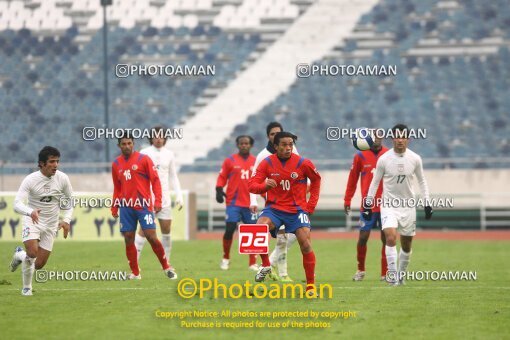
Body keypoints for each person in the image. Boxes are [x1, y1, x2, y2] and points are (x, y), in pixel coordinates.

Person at [249, 132, 321, 296]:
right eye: (284, 145)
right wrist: (264, 186)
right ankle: (266, 265)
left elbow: (316, 180)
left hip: (297, 210)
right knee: (258, 228)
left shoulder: (303, 163)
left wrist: (311, 205)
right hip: (274, 208)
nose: (288, 148)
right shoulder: (267, 163)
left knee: (306, 243)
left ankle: (310, 286)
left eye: (291, 144)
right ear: (276, 147)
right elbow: (252, 185)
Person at [365, 124, 433, 285]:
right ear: (393, 138)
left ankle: (401, 275)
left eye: (403, 137)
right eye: (397, 137)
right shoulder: (384, 159)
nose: (400, 140)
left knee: (407, 244)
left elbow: (422, 181)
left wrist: (427, 203)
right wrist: (368, 204)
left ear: (408, 139)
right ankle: (393, 275)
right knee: (390, 237)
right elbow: (375, 183)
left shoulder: (415, 159)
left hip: (408, 206)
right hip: (388, 204)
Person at [111, 131, 176, 280]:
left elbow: (155, 181)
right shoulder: (116, 164)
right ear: (119, 146)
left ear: (133, 144)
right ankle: (135, 272)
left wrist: (158, 201)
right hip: (126, 207)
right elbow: (117, 187)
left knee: (151, 236)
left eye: (129, 143)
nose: (127, 146)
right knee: (128, 237)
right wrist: (114, 206)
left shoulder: (143, 159)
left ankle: (166, 267)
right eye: (123, 144)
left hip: (143, 205)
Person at [10, 146, 73, 296]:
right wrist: (30, 211)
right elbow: (16, 203)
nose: (56, 165)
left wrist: (66, 220)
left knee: (38, 264)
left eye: (57, 161)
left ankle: (19, 255)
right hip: (32, 220)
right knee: (32, 253)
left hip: (51, 225)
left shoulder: (62, 178)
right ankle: (27, 288)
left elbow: (70, 200)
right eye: (52, 161)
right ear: (42, 164)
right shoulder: (30, 180)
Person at [249, 122, 298, 282]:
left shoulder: (292, 150)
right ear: (269, 137)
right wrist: (253, 200)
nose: (275, 135)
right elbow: (254, 179)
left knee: (288, 237)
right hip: (274, 203)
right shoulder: (262, 156)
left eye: (279, 132)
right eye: (272, 134)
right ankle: (274, 268)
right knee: (275, 235)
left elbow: (299, 170)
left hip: (291, 202)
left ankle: (274, 267)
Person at [135, 126, 183, 264]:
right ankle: (134, 265)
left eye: (161, 136)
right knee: (143, 231)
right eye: (156, 136)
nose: (158, 139)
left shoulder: (169, 154)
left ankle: (166, 264)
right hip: (147, 199)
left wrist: (179, 195)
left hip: (165, 200)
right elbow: (137, 176)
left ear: (165, 138)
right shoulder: (144, 153)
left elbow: (173, 176)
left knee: (166, 231)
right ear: (151, 138)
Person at [344, 134, 389, 281]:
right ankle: (360, 270)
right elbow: (353, 178)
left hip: (386, 204)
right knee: (363, 237)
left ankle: (385, 273)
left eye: (379, 136)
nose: (376, 139)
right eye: (373, 137)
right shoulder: (360, 156)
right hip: (367, 205)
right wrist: (347, 199)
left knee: (386, 238)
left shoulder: (389, 154)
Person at [216, 135, 258, 271]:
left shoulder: (256, 161)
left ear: (251, 145)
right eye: (241, 143)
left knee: (252, 233)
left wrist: (266, 195)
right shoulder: (230, 161)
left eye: (246, 143)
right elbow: (222, 177)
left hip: (250, 203)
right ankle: (225, 258)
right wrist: (218, 189)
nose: (244, 145)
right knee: (229, 230)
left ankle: (252, 263)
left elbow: (261, 180)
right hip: (233, 203)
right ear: (237, 145)